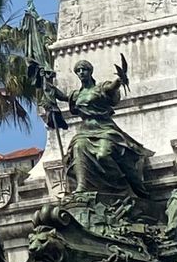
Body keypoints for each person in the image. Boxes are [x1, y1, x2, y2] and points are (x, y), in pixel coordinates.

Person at [47, 59, 150, 196]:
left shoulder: (100, 88)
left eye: (84, 69)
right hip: (85, 131)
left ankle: (123, 186)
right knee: (78, 148)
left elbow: (112, 87)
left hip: (105, 128)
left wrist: (120, 80)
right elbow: (63, 97)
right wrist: (46, 84)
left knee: (103, 154)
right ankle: (82, 186)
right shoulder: (76, 94)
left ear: (90, 71)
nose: (81, 72)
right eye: (78, 71)